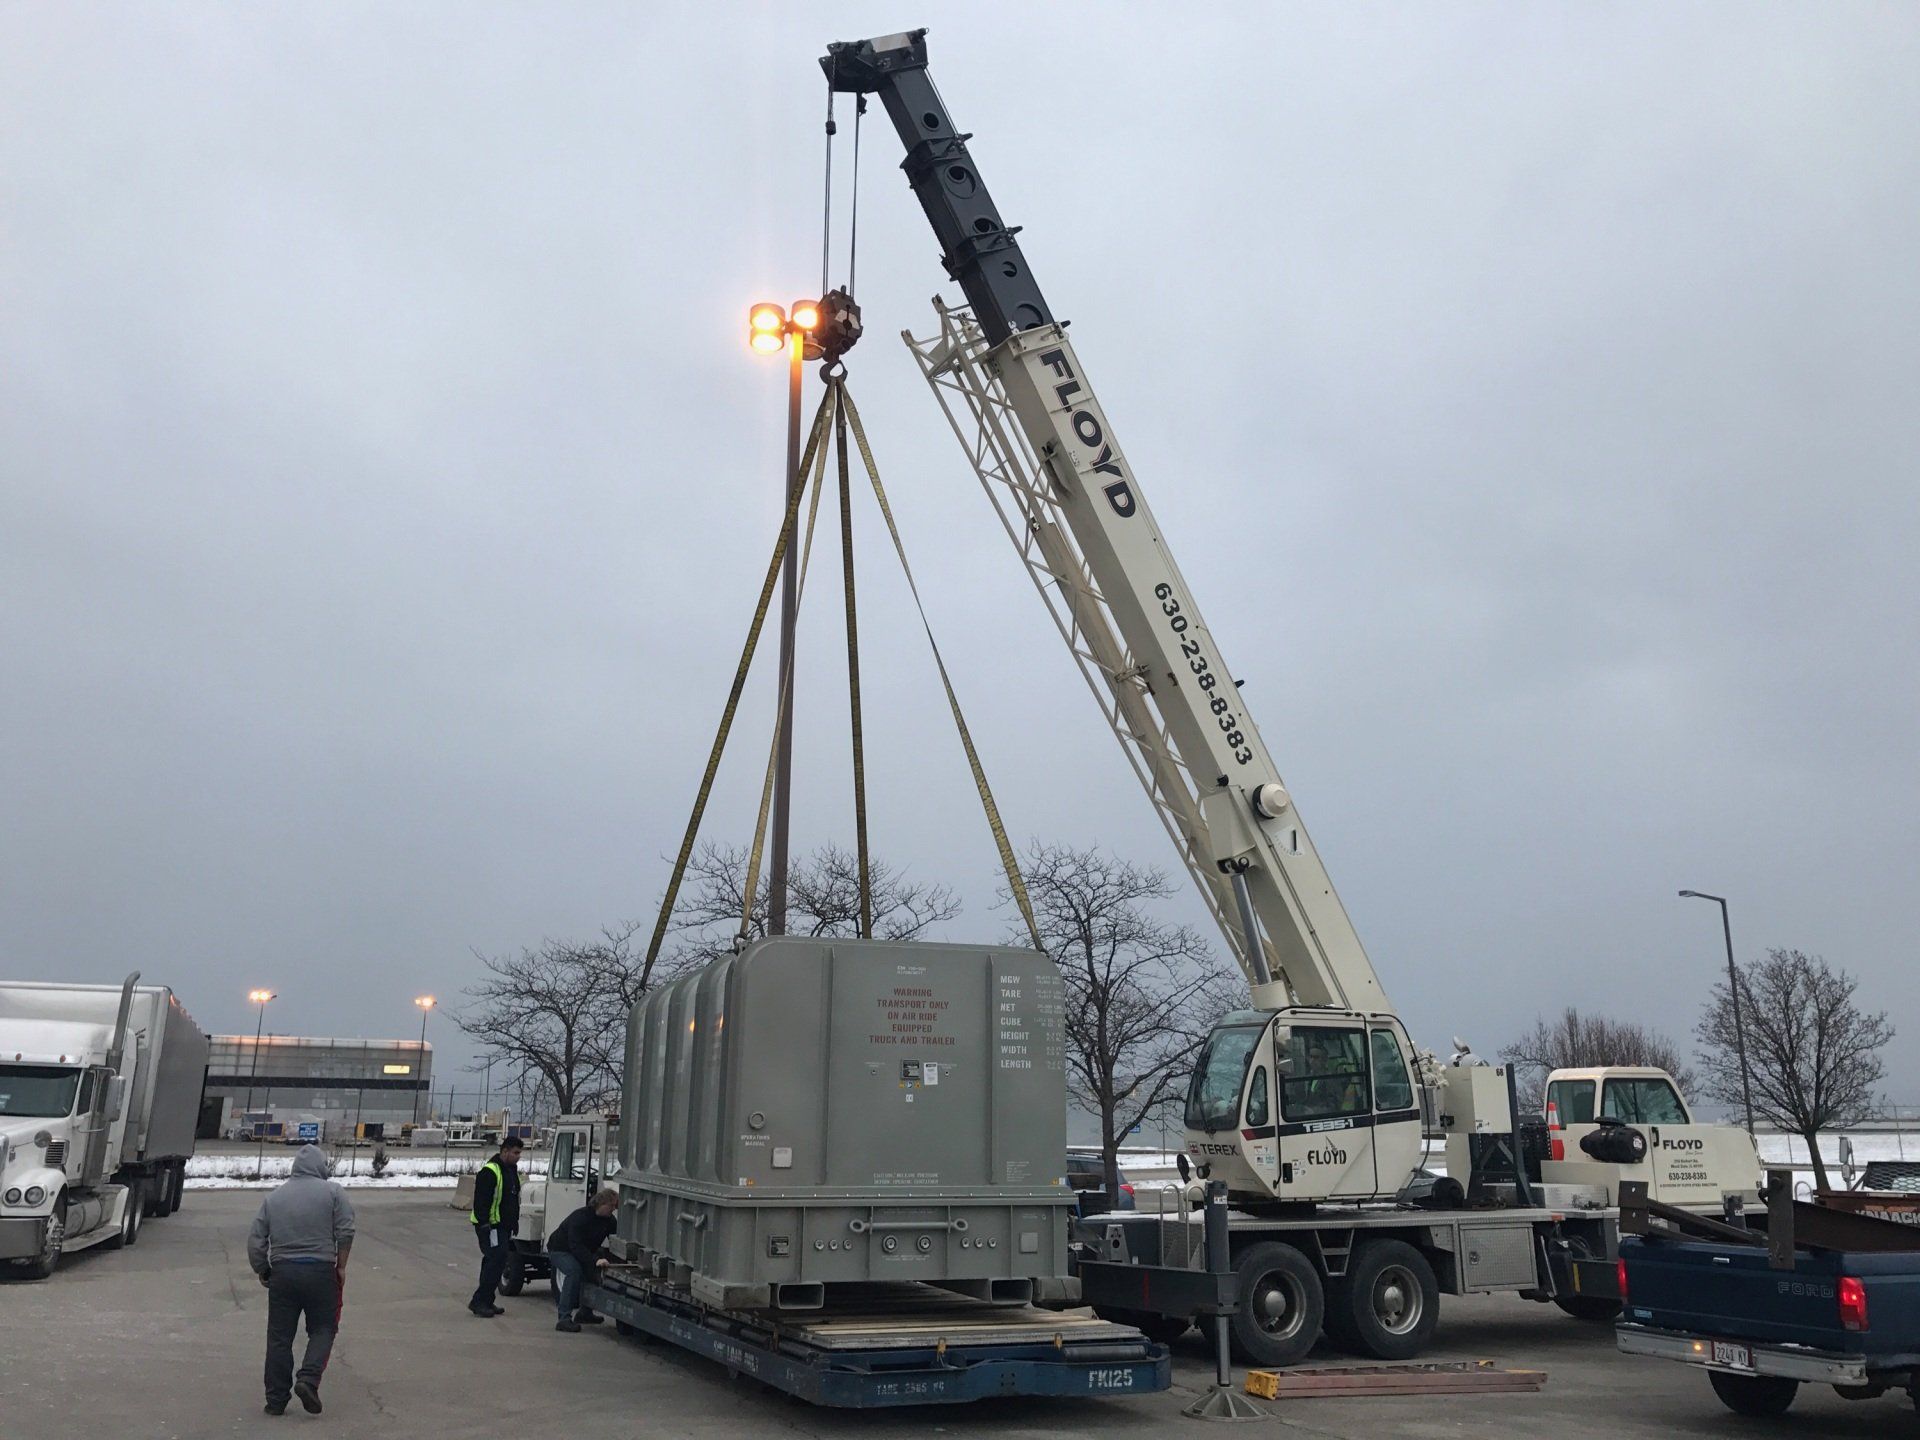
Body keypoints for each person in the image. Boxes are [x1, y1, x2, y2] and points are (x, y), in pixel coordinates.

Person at [246, 1144, 354, 1417]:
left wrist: (263, 1268)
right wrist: (341, 1266)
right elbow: (346, 1231)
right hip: (320, 1273)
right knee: (323, 1329)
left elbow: (256, 1239)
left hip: (283, 1274)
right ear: (321, 1167)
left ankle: (276, 1400)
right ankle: (307, 1378)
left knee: (280, 1337)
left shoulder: (275, 1198)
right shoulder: (333, 1193)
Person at [547, 1188, 620, 1332]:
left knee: (592, 1274)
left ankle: (585, 1313)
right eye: (611, 1206)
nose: (613, 1209)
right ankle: (564, 1318)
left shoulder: (609, 1220)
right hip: (560, 1250)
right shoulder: (580, 1217)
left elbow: (615, 1241)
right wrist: (594, 1261)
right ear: (601, 1204)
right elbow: (576, 1246)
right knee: (574, 1272)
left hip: (583, 1250)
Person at [467, 1136, 524, 1317]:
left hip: (503, 1226)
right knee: (496, 1261)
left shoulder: (511, 1171)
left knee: (494, 1262)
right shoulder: (490, 1171)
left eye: (519, 1153)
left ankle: (486, 1300)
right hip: (490, 1226)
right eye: (515, 1153)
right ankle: (479, 1301)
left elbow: (512, 1200)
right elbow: (481, 1200)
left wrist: (513, 1223)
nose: (518, 1157)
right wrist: (484, 1224)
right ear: (505, 1151)